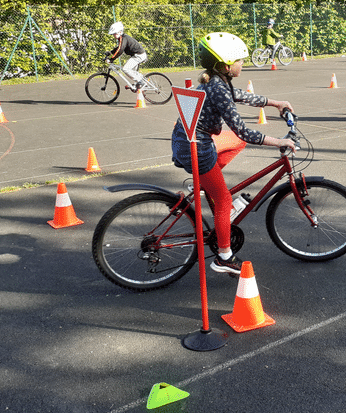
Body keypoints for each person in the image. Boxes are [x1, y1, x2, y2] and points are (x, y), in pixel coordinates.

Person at [171, 32, 296, 275]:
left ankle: (205, 183)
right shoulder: (217, 87)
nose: (243, 64)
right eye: (240, 61)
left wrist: (275, 102)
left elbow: (242, 96)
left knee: (236, 143)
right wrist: (278, 141)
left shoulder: (217, 81)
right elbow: (243, 130)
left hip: (190, 140)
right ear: (226, 65)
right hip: (196, 146)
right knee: (225, 200)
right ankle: (225, 257)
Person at [105, 21, 147, 91]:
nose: (114, 35)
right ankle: (139, 83)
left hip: (139, 56)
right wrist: (110, 52)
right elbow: (119, 48)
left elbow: (120, 50)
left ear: (120, 32)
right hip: (137, 55)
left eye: (115, 33)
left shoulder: (124, 38)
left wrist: (112, 59)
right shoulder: (122, 38)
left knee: (125, 69)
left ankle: (141, 82)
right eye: (113, 34)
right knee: (132, 72)